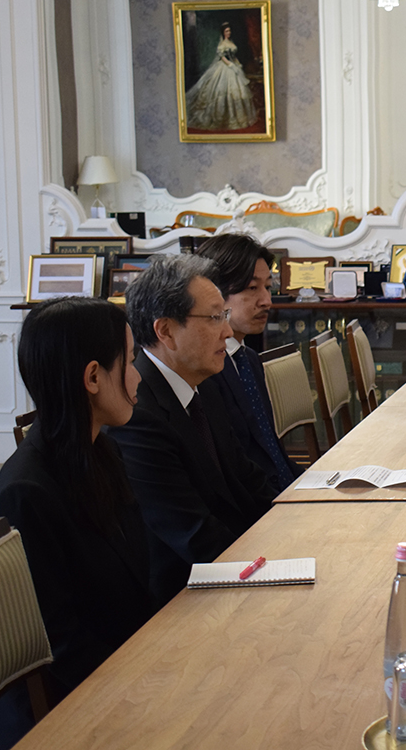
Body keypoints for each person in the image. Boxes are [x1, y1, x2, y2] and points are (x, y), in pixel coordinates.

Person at [0, 298, 158, 750]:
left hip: (119, 672)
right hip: (59, 714)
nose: (138, 377)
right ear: (93, 377)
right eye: (130, 361)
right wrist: (154, 681)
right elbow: (58, 648)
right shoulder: (27, 494)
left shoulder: (101, 450)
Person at [107, 254, 274, 600]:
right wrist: (274, 564)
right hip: (183, 596)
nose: (227, 331)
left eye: (224, 316)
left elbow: (248, 480)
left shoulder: (203, 385)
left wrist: (297, 530)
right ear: (166, 331)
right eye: (215, 318)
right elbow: (193, 535)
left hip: (235, 564)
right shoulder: (136, 416)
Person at [197, 234, 299, 493]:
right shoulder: (204, 371)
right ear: (213, 293)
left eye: (268, 287)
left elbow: (271, 451)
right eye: (252, 288)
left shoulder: (249, 359)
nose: (267, 301)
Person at [184, 22, 258, 132]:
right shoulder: (222, 44)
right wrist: (230, 65)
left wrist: (237, 63)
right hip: (225, 67)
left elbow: (233, 56)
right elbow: (222, 57)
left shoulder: (231, 42)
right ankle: (223, 119)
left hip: (234, 66)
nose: (229, 33)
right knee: (222, 91)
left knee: (238, 91)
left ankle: (237, 117)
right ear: (223, 33)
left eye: (229, 31)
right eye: (226, 31)